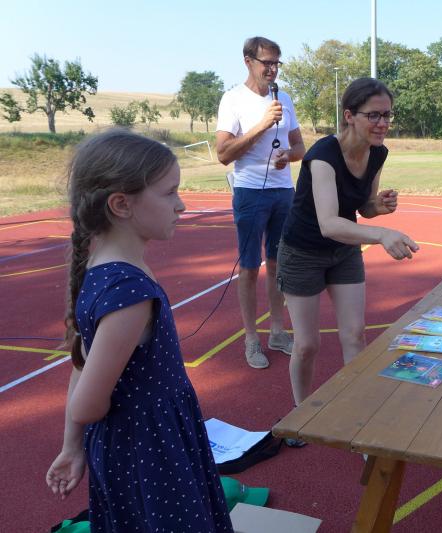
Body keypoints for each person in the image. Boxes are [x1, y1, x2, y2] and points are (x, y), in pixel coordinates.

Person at [45, 130, 233, 532]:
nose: (181, 205)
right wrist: (115, 418)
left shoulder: (106, 269)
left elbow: (81, 364)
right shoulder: (130, 294)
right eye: (169, 193)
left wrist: (73, 446)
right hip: (148, 448)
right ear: (121, 204)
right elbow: (86, 404)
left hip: (141, 443)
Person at [277, 77, 418, 424]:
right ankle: (300, 414)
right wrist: (382, 234)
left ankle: (358, 415)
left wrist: (378, 206)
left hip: (344, 251)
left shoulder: (378, 152)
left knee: (355, 334)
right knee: (307, 345)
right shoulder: (322, 155)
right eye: (374, 115)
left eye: (387, 115)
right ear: (350, 116)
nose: (383, 123)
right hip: (302, 252)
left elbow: (363, 208)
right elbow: (328, 222)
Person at [216, 36, 306, 369]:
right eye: (266, 62)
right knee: (250, 267)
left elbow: (300, 148)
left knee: (280, 265)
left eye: (276, 63)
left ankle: (278, 332)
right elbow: (223, 154)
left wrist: (287, 156)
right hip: (250, 192)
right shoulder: (233, 100)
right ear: (248, 61)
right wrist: (262, 125)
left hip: (283, 192)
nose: (272, 69)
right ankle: (251, 339)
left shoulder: (285, 98)